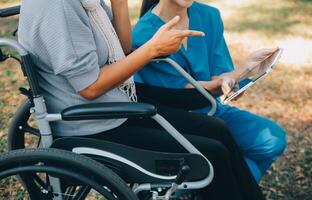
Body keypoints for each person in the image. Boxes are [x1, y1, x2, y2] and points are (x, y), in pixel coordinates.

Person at [18, 0, 265, 199]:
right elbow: (89, 87)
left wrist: (119, 3)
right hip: (90, 124)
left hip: (114, 107)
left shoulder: (87, 3)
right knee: (212, 153)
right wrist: (152, 49)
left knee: (218, 129)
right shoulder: (57, 5)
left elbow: (121, 47)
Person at [133, 0, 287, 183]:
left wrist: (237, 78)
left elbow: (220, 76)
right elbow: (185, 95)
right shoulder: (143, 35)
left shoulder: (209, 15)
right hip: (179, 122)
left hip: (213, 110)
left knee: (272, 140)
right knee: (233, 167)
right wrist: (240, 72)